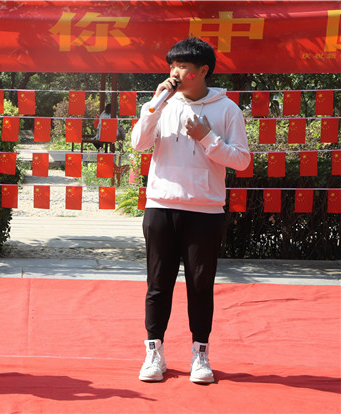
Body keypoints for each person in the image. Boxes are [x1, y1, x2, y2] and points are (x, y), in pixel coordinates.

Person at [131, 37, 250, 384]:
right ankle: (154, 352)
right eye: (172, 65)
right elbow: (139, 144)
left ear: (203, 71)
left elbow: (242, 160)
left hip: (205, 211)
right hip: (161, 206)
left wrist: (207, 137)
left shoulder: (227, 110)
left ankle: (201, 354)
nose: (175, 72)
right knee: (158, 285)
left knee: (200, 286)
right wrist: (154, 104)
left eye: (183, 66)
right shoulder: (161, 104)